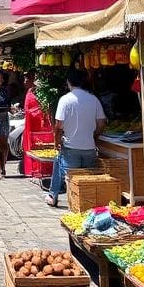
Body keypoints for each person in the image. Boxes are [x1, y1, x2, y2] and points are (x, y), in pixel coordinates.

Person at [46, 70, 106, 208]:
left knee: (71, 179)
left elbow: (58, 125)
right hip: (89, 148)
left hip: (71, 147)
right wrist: (94, 136)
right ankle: (87, 205)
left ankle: (55, 196)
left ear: (68, 83)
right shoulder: (93, 99)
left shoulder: (65, 100)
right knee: (87, 180)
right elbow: (102, 122)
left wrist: (56, 141)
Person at [21, 71, 50, 177]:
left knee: (40, 144)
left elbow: (43, 107)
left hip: (39, 123)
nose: (24, 82)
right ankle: (32, 169)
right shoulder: (29, 90)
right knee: (30, 144)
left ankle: (42, 169)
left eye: (27, 80)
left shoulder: (39, 91)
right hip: (30, 123)